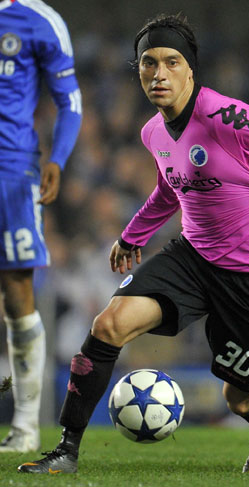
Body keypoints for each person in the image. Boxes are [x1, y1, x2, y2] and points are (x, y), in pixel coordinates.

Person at [18, 13, 249, 474]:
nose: (159, 73)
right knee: (108, 325)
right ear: (139, 70)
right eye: (148, 63)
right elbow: (171, 189)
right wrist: (132, 235)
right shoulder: (153, 132)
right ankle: (66, 449)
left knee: (240, 399)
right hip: (194, 258)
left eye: (170, 62)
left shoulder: (226, 115)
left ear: (190, 69)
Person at [0, 0, 82, 452]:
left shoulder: (39, 21)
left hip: (10, 172)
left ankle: (26, 427)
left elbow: (69, 100)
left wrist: (57, 158)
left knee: (16, 293)